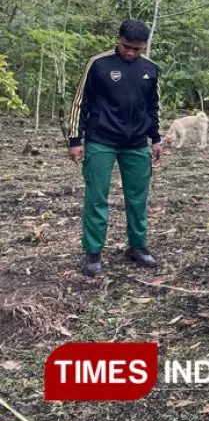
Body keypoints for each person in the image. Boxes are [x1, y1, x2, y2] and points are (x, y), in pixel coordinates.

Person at [67, 19, 163, 276]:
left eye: (137, 49)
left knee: (137, 198)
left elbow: (153, 106)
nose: (130, 53)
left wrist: (156, 138)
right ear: (117, 39)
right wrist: (75, 140)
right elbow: (80, 103)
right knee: (97, 196)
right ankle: (93, 252)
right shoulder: (98, 64)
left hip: (137, 144)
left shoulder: (150, 69)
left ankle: (138, 247)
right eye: (126, 47)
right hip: (101, 140)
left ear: (144, 46)